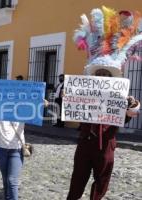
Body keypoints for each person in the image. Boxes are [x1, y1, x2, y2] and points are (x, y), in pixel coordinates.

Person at [67, 7, 141, 200]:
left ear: (111, 76)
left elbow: (133, 111)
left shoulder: (119, 95)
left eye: (106, 73)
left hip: (106, 144)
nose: (102, 76)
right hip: (85, 143)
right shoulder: (84, 91)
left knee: (102, 182)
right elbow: (71, 108)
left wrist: (131, 104)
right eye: (99, 73)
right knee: (77, 181)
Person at [0, 75, 47, 200]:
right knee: (6, 179)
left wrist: (41, 103)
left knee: (12, 180)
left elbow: (35, 109)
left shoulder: (24, 105)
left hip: (16, 146)